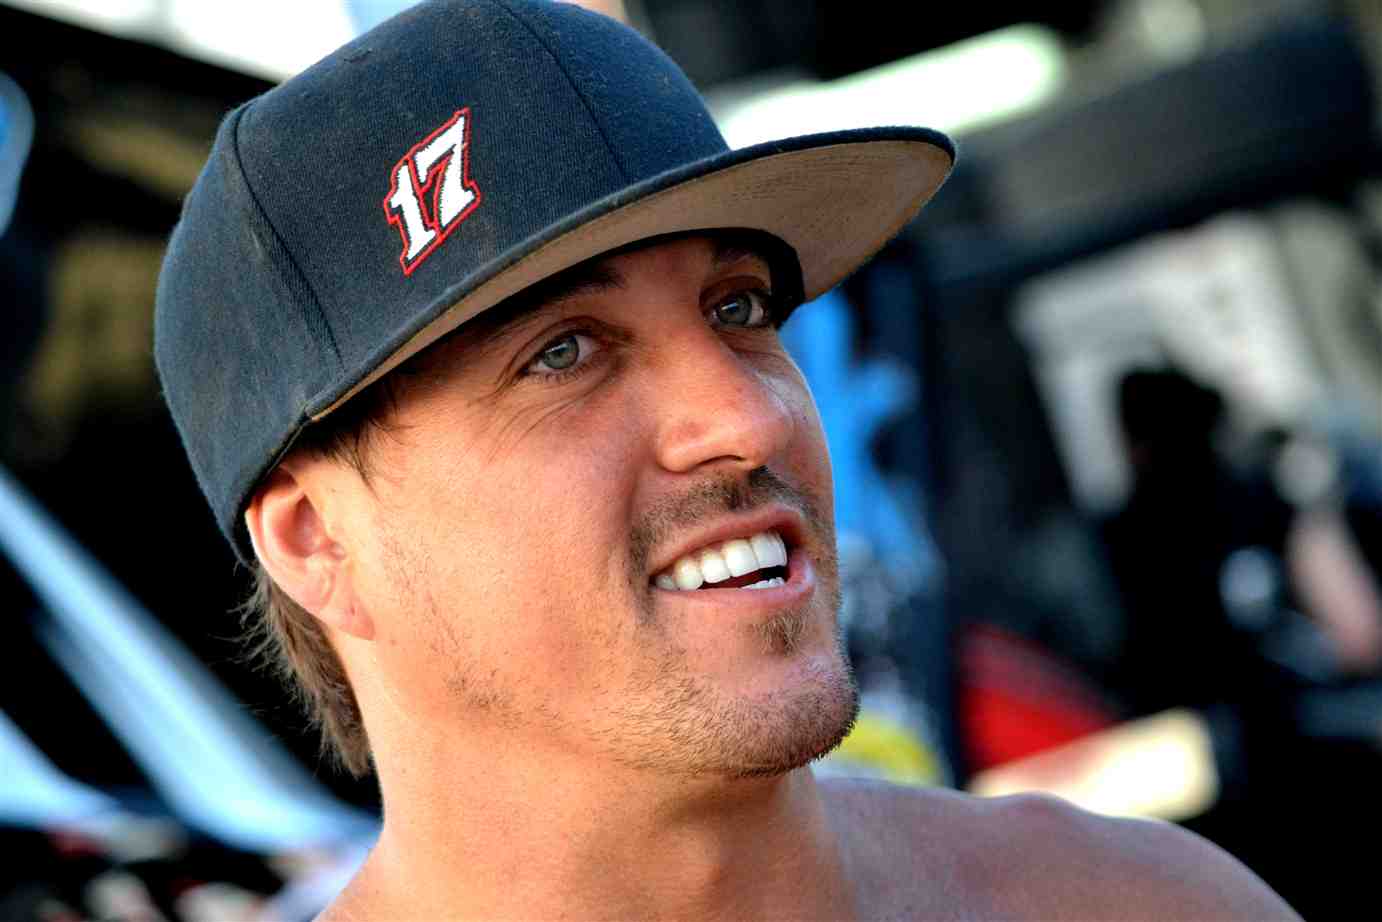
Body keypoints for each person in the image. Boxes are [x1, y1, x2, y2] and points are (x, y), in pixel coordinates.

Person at [154, 1, 1300, 918]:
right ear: (316, 540)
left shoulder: (1139, 902)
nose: (746, 418)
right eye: (562, 352)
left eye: (738, 306)